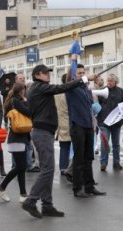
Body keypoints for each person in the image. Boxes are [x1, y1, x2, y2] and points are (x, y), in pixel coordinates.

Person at [21, 64, 92, 219]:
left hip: (44, 132)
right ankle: (31, 200)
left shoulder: (39, 87)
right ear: (37, 74)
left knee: (48, 169)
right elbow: (61, 88)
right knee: (47, 170)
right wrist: (84, 79)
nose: (49, 75)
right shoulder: (38, 87)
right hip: (42, 132)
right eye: (46, 73)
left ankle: (47, 205)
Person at [66, 64, 105, 197]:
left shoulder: (86, 89)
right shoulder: (71, 87)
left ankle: (89, 186)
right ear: (73, 76)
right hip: (77, 126)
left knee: (89, 158)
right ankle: (77, 188)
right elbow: (70, 81)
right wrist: (85, 77)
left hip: (88, 126)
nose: (82, 74)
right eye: (79, 73)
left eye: (83, 72)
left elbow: (91, 108)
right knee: (79, 158)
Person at [0, 83, 30, 203]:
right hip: (16, 137)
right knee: (21, 166)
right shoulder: (16, 101)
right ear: (21, 91)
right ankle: (2, 187)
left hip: (20, 137)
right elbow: (28, 112)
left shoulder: (13, 100)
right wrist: (26, 101)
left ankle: (23, 194)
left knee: (21, 167)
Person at [97, 73, 123, 171]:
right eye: (108, 80)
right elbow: (97, 105)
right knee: (105, 142)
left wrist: (122, 119)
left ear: (115, 82)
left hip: (116, 123)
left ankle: (116, 163)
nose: (109, 82)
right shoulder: (102, 91)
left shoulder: (121, 92)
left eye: (111, 81)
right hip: (104, 122)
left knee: (116, 144)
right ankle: (103, 163)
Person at [55, 74, 71, 177]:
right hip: (69, 122)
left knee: (64, 147)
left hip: (61, 123)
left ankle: (62, 167)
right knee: (71, 148)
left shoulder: (57, 93)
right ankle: (68, 168)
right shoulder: (69, 93)